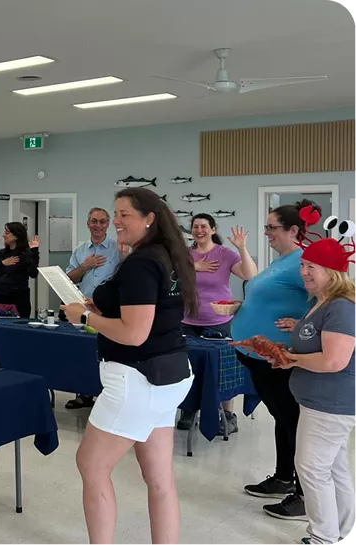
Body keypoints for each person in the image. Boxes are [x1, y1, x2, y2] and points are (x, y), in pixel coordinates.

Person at [62, 187, 197, 545]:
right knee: (159, 478)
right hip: (169, 375)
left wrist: (86, 317)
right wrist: (104, 307)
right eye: (115, 213)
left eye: (124, 215)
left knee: (91, 466)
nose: (116, 222)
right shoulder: (168, 256)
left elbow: (135, 333)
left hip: (138, 378)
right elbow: (147, 312)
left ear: (149, 218)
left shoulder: (141, 262)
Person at [267, 221, 356, 545]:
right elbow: (316, 343)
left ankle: (322, 537)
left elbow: (334, 361)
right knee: (332, 468)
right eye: (304, 265)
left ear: (333, 272)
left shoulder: (342, 307)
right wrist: (291, 349)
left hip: (330, 404)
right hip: (320, 402)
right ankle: (342, 530)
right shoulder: (321, 302)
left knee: (311, 468)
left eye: (312, 267)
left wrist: (292, 360)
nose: (304, 271)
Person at [231, 199, 319, 521]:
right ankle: (283, 478)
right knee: (283, 417)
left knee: (292, 419)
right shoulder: (281, 260)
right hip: (257, 355)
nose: (266, 232)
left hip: (278, 357)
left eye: (271, 227)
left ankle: (304, 495)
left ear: (293, 230)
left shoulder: (302, 263)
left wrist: (303, 324)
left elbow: (332, 297)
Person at [177, 214, 257, 434]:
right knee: (187, 367)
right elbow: (172, 276)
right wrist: (195, 266)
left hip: (219, 321)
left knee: (224, 369)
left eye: (204, 226)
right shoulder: (186, 254)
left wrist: (242, 248)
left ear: (212, 229)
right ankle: (188, 409)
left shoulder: (224, 254)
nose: (199, 230)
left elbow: (250, 274)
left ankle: (228, 416)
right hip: (188, 320)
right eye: (195, 227)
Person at [64, 207, 122, 410]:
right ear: (88, 223)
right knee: (84, 353)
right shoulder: (80, 250)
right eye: (94, 221)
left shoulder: (118, 249)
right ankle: (84, 394)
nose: (98, 225)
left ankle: (108, 395)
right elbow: (69, 278)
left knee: (107, 354)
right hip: (83, 308)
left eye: (103, 221)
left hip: (108, 311)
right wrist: (85, 266)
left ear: (108, 224)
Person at [0, 222, 40, 318]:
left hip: (19, 300)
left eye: (7, 233)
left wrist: (34, 252)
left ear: (16, 236)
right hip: (1, 297)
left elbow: (33, 274)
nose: (3, 235)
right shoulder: (1, 253)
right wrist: (2, 264)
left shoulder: (26, 253)